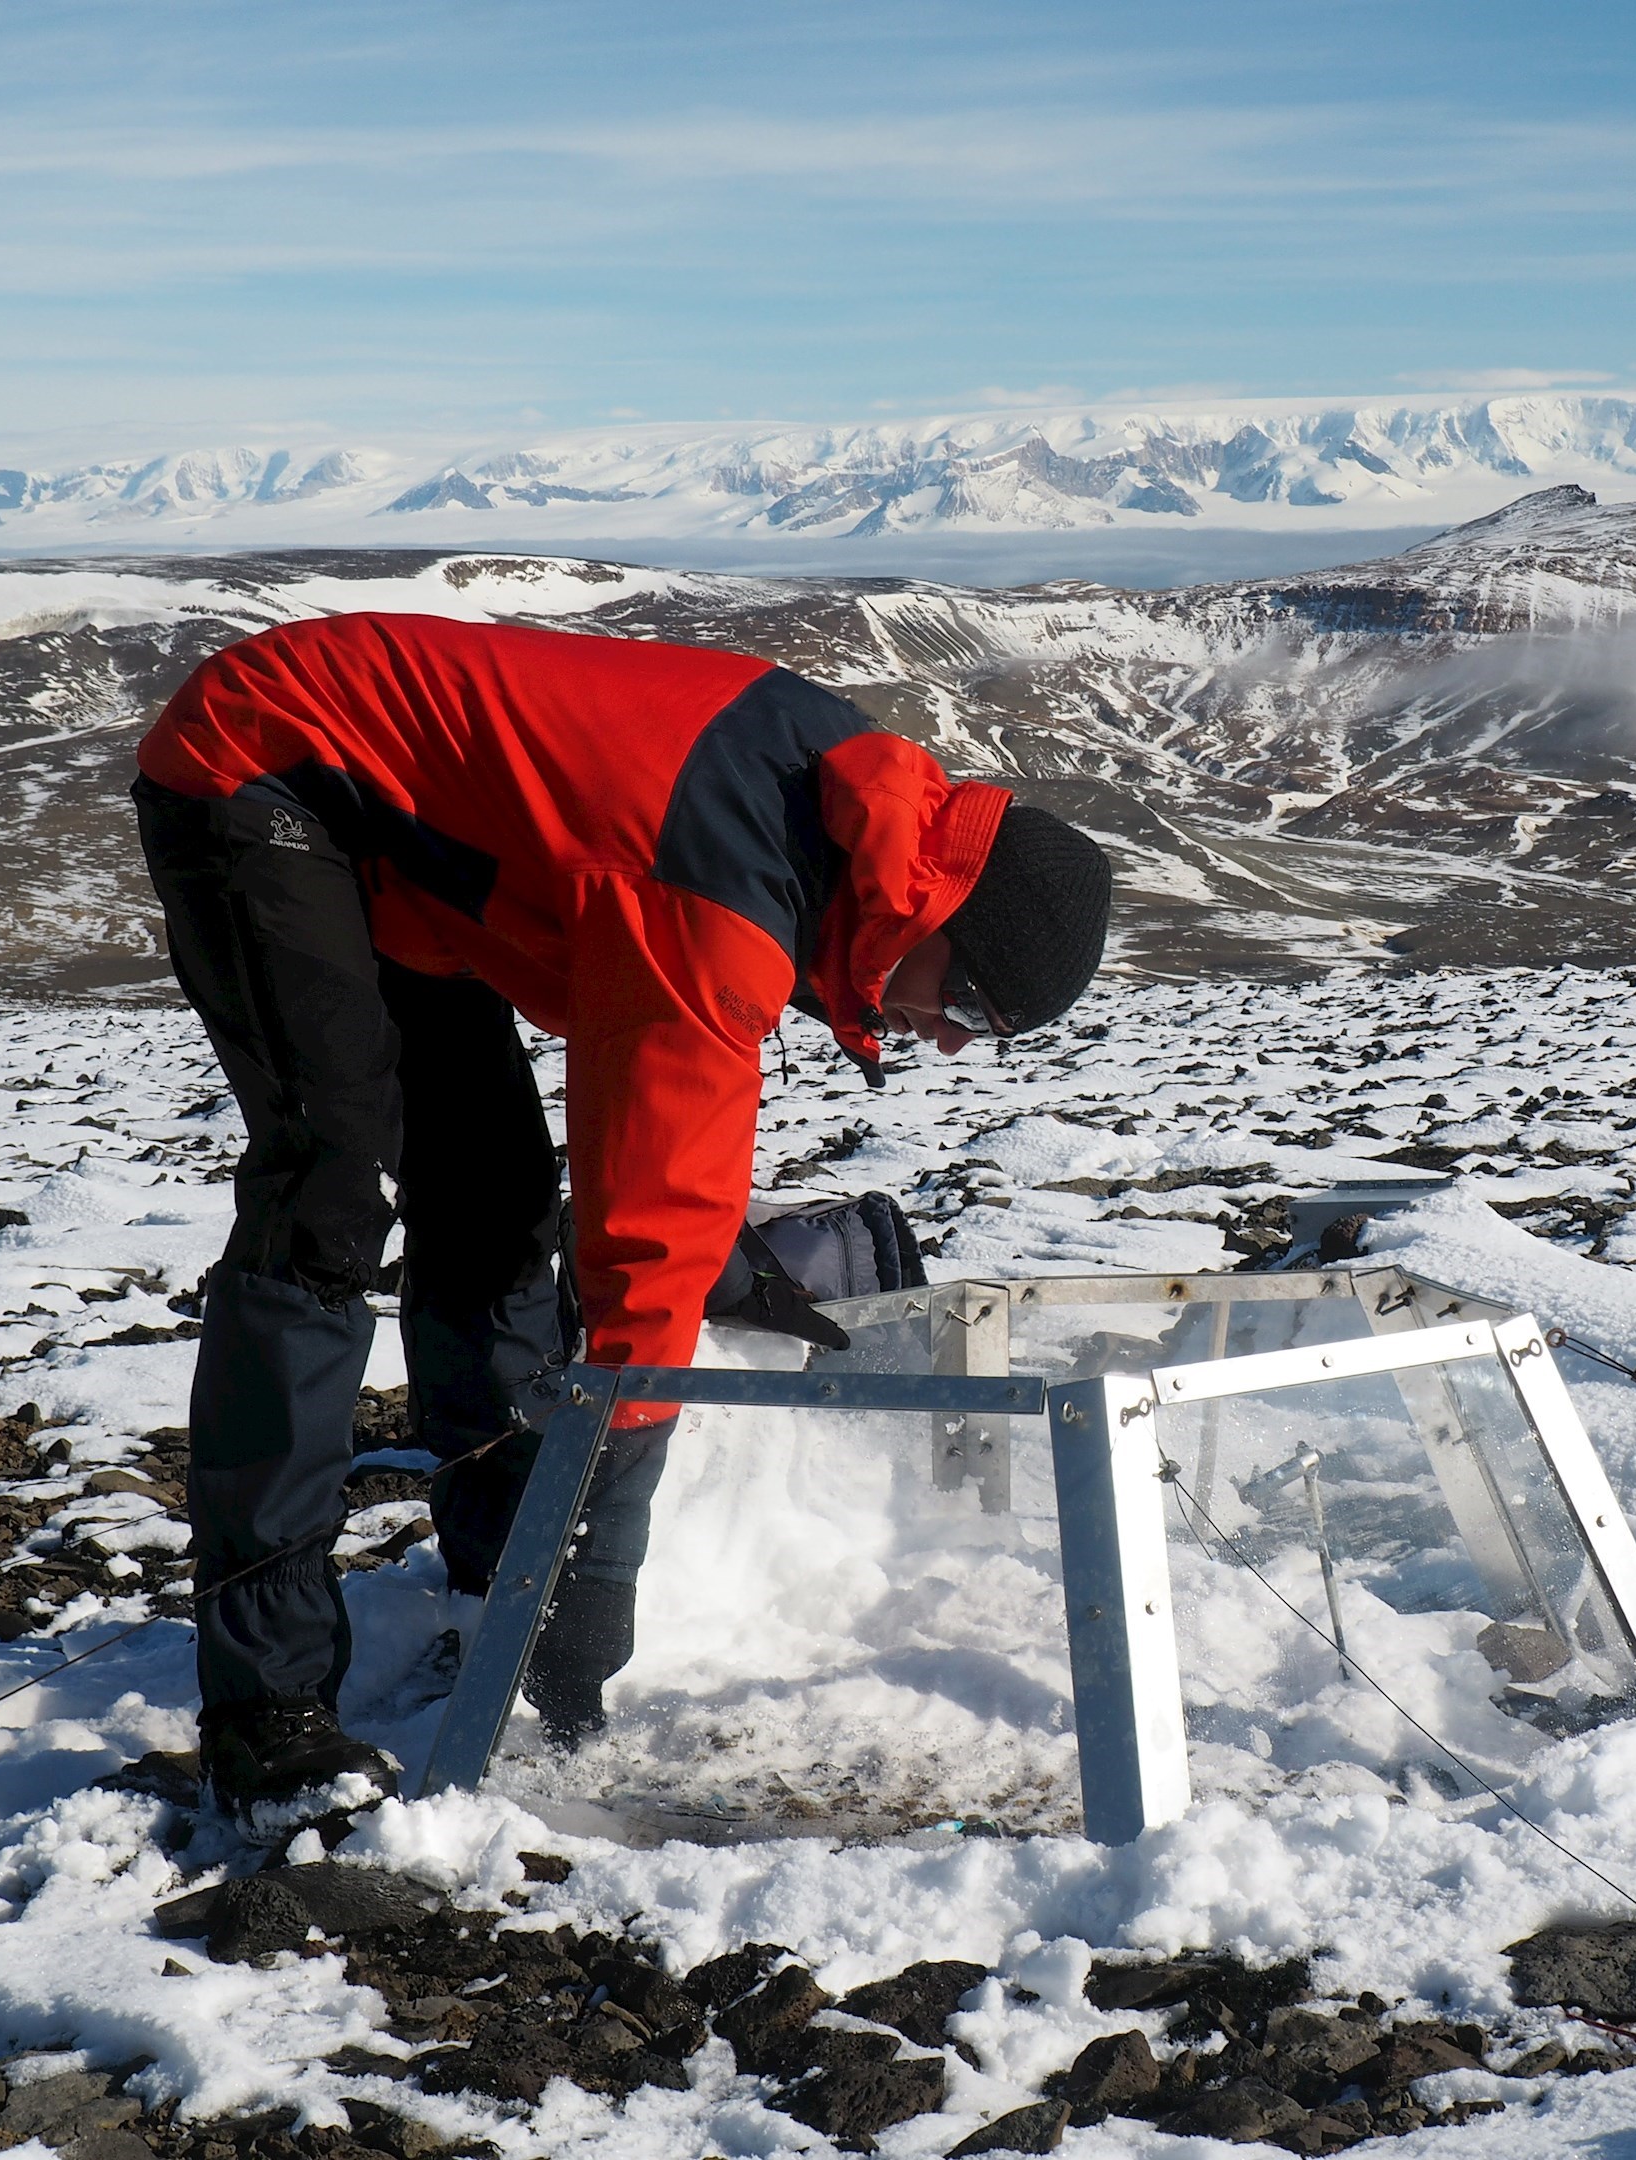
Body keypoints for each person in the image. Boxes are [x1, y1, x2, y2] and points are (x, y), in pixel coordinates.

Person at [130, 613, 1113, 1810]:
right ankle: (266, 1709)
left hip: (407, 848)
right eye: (968, 997)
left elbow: (649, 1148)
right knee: (327, 1199)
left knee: (492, 1201)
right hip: (269, 765)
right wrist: (607, 1548)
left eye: (987, 1032)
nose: (950, 1034)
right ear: (942, 908)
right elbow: (651, 1208)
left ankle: (500, 1589)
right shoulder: (730, 897)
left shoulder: (845, 832)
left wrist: (710, 1271)